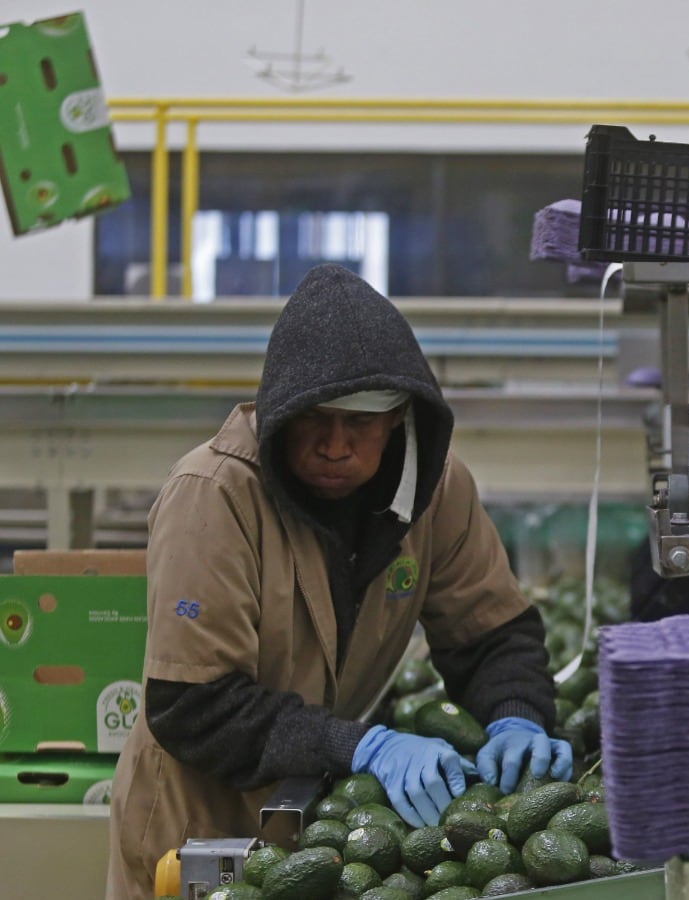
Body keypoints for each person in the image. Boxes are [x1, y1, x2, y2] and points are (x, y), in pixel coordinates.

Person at [106, 264, 573, 900]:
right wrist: (360, 746)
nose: (334, 446)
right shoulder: (214, 497)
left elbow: (492, 635)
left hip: (322, 829)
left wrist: (518, 718)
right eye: (314, 421)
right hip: (196, 827)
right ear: (278, 415)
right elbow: (193, 706)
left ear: (399, 418)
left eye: (360, 423)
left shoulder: (435, 490)